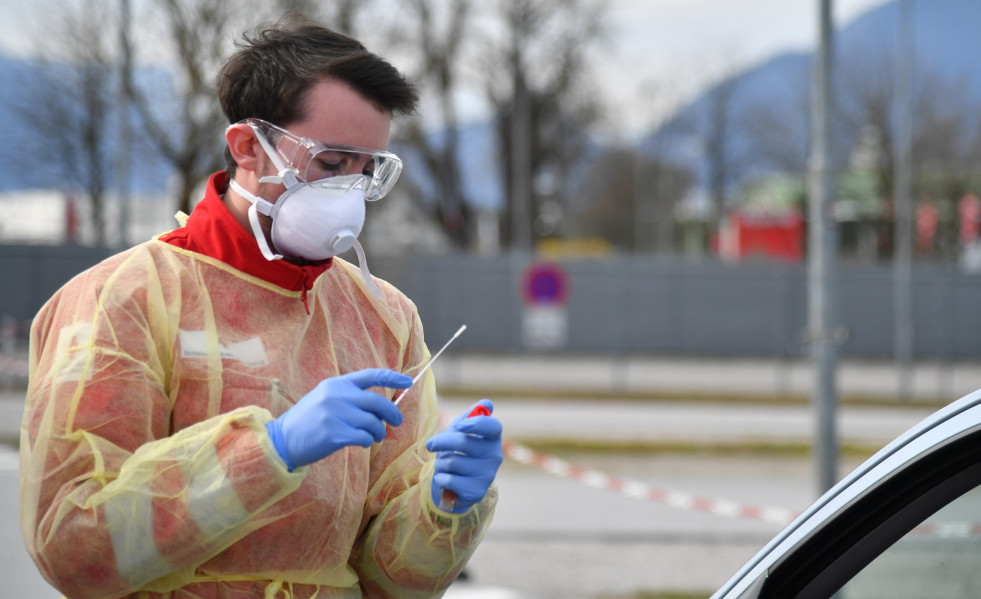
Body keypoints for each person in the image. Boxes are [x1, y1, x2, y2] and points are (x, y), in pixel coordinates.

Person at [20, 16, 503, 599]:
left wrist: (443, 505)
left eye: (367, 169)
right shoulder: (125, 298)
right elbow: (73, 547)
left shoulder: (382, 317)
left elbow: (388, 581)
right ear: (248, 146)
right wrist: (267, 451)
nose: (349, 192)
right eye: (330, 164)